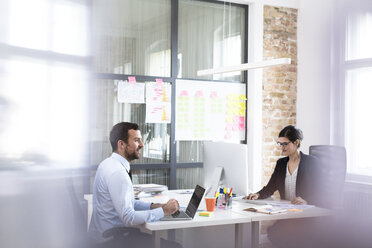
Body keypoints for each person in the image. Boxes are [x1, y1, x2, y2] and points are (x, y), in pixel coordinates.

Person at [88, 122, 182, 248]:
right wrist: (164, 211)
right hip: (111, 241)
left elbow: (128, 203)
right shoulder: (118, 173)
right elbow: (129, 217)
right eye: (137, 140)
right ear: (121, 144)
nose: (142, 145)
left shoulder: (107, 164)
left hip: (103, 236)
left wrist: (155, 206)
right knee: (173, 246)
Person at [244, 125, 322, 248]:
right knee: (275, 233)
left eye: (285, 144)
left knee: (284, 235)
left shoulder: (311, 162)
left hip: (305, 216)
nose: (281, 147)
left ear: (296, 142)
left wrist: (307, 200)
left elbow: (322, 191)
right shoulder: (281, 163)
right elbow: (270, 187)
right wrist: (258, 194)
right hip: (288, 215)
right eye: (279, 143)